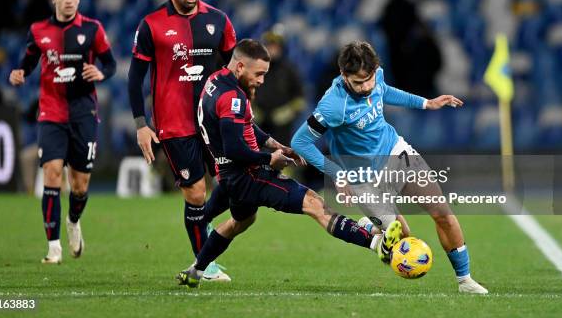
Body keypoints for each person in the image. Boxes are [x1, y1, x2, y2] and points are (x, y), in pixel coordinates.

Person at [176, 39, 387, 288]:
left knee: (240, 221)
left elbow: (241, 127)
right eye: (259, 74)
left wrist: (273, 144)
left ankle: (196, 270)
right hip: (248, 175)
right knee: (314, 203)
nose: (262, 80)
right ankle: (377, 245)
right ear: (241, 66)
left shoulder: (215, 82)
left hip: (229, 176)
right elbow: (235, 148)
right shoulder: (233, 97)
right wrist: (270, 159)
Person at [291, 41, 488, 294]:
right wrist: (337, 174)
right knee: (402, 238)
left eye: (369, 79)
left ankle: (465, 281)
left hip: (395, 153)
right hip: (361, 177)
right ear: (343, 75)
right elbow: (300, 142)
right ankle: (373, 228)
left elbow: (384, 90)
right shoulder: (333, 106)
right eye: (357, 82)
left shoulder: (377, 77)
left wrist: (426, 103)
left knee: (442, 212)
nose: (366, 87)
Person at [127, 0, 236, 281]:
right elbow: (135, 77)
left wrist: (243, 104)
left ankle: (203, 228)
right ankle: (205, 264)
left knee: (230, 186)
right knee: (195, 192)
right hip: (173, 125)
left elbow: (236, 69)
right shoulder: (151, 24)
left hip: (213, 120)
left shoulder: (218, 20)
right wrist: (141, 124)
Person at [9, 0, 117, 264]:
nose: (68, 0)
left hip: (83, 112)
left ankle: (73, 221)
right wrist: (20, 72)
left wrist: (101, 73)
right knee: (53, 174)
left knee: (80, 185)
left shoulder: (93, 29)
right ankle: (53, 247)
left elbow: (110, 63)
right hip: (51, 112)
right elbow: (30, 59)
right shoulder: (39, 30)